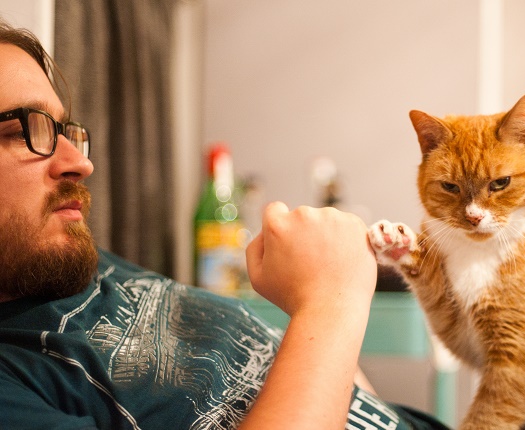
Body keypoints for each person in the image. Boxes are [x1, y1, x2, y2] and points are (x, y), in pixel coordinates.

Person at [0, 19, 449, 430]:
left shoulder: (71, 261)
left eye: (65, 131)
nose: (81, 162)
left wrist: (322, 318)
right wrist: (332, 301)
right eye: (26, 130)